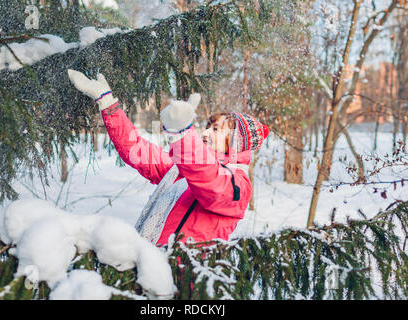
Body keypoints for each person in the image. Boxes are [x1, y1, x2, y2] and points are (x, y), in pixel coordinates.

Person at [67, 69, 269, 247]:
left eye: (216, 129)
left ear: (237, 142)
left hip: (185, 280)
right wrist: (107, 103)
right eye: (207, 127)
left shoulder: (238, 185)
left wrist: (183, 135)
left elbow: (210, 180)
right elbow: (136, 149)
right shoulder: (180, 169)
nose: (205, 133)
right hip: (151, 265)